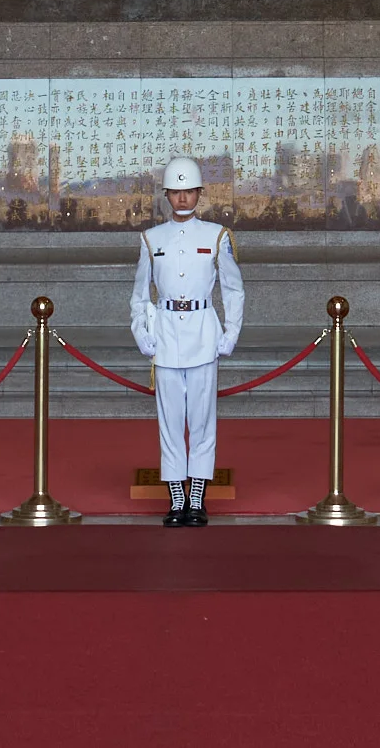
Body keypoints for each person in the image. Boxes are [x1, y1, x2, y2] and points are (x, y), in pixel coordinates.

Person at [131, 156, 244, 526]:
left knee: (201, 422)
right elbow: (138, 294)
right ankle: (176, 499)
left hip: (202, 334)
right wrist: (141, 332)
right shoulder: (151, 238)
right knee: (170, 422)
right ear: (167, 195)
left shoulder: (216, 236)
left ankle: (197, 498)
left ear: (199, 193)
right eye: (175, 192)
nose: (182, 199)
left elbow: (233, 289)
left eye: (188, 191)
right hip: (164, 336)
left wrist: (230, 334)